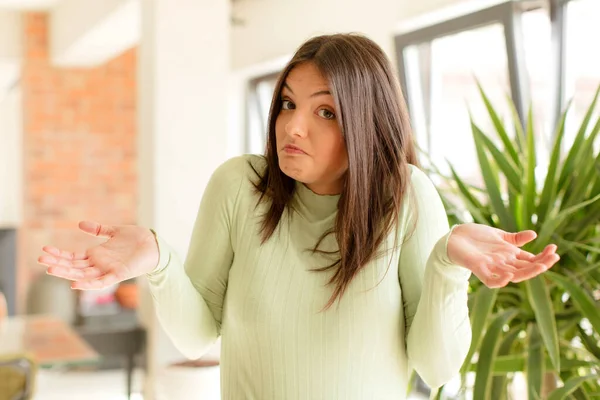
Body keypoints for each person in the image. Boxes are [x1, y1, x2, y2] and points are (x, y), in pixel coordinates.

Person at [38, 33, 559, 399]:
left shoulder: (406, 196)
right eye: (288, 104)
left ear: (367, 123)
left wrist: (448, 266)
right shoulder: (239, 187)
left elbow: (438, 367)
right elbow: (197, 335)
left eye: (325, 112)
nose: (294, 128)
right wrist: (158, 261)